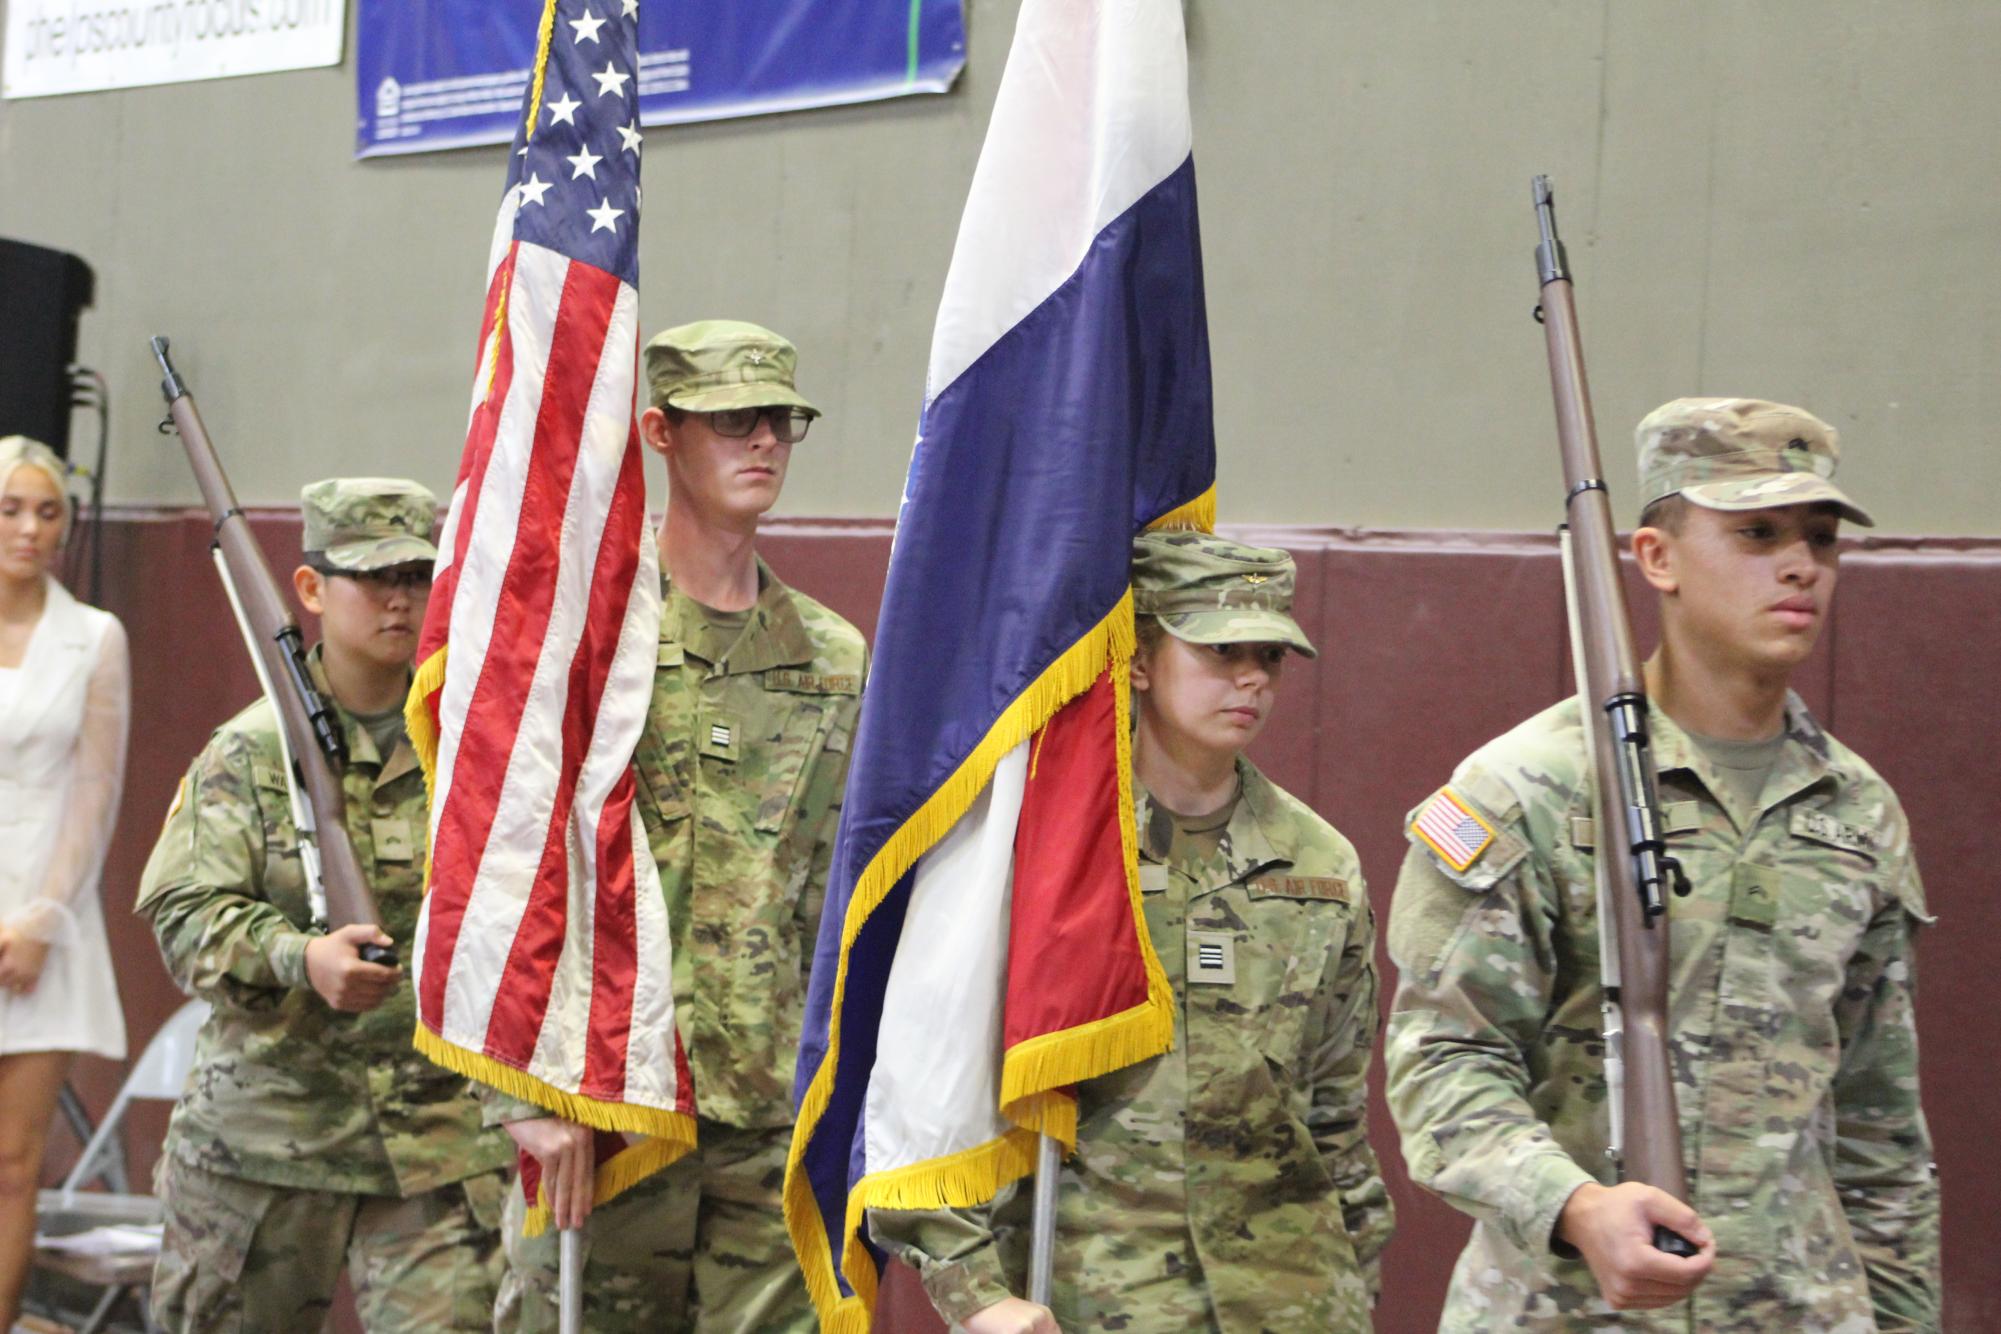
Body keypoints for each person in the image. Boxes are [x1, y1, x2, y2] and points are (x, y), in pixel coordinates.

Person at [1384, 398, 1940, 1330]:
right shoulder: (1528, 788)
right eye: (1755, 533)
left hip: (1796, 1310)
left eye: (1820, 538)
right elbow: (1441, 1059)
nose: (1800, 564)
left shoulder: (1856, 809)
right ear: (1656, 557)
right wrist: (1572, 1206)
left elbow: (1878, 1126)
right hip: (1564, 1309)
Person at [871, 531, 1394, 1333]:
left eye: (1270, 655)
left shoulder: (1321, 864)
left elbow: (1331, 1118)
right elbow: (935, 1083)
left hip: (1291, 1299)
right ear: (1141, 661)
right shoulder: (1048, 854)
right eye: (1219, 651)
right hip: (1092, 1295)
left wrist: (1355, 1285)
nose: (1251, 677)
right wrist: (974, 1294)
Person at [490, 320, 865, 1331]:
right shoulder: (588, 636)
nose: (765, 442)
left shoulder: (832, 657)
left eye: (782, 420)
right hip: (604, 1105)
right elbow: (502, 867)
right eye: (734, 419)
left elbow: (847, 894)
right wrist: (514, 1092)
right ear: (659, 430)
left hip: (771, 1113)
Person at [136, 477, 513, 1331]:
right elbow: (184, 914)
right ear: (310, 589)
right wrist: (297, 957)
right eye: (371, 578)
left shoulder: (476, 744)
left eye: (417, 577)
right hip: (267, 1142)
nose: (397, 600)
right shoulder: (250, 751)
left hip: (439, 1144)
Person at [0, 436, 129, 1329]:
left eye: (48, 511)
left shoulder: (95, 637)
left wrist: (40, 921)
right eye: (11, 508)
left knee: (14, 1164)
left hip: (42, 931)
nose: (30, 528)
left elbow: (97, 792)